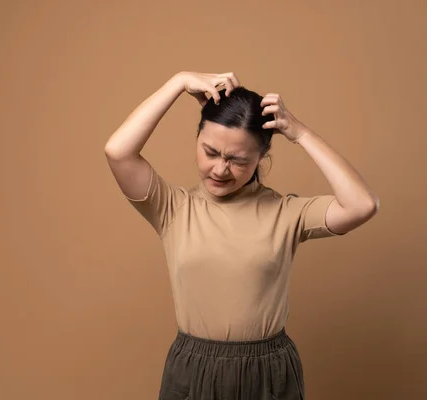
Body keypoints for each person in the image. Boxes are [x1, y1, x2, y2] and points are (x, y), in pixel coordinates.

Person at [104, 71, 379, 400]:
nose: (220, 170)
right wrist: (177, 82)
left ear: (261, 157)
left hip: (268, 372)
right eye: (210, 152)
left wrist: (300, 132)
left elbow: (362, 204)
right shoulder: (173, 207)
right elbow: (118, 152)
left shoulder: (285, 213)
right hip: (193, 370)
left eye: (237, 160)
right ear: (197, 140)